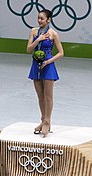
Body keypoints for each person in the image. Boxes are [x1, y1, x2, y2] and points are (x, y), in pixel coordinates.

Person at [26, 9, 64, 138]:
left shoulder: (53, 34)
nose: (39, 20)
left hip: (48, 66)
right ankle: (43, 120)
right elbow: (28, 49)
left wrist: (48, 61)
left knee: (48, 96)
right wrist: (38, 40)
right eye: (38, 18)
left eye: (42, 18)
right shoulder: (34, 31)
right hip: (36, 65)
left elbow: (61, 53)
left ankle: (48, 121)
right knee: (40, 96)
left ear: (49, 20)